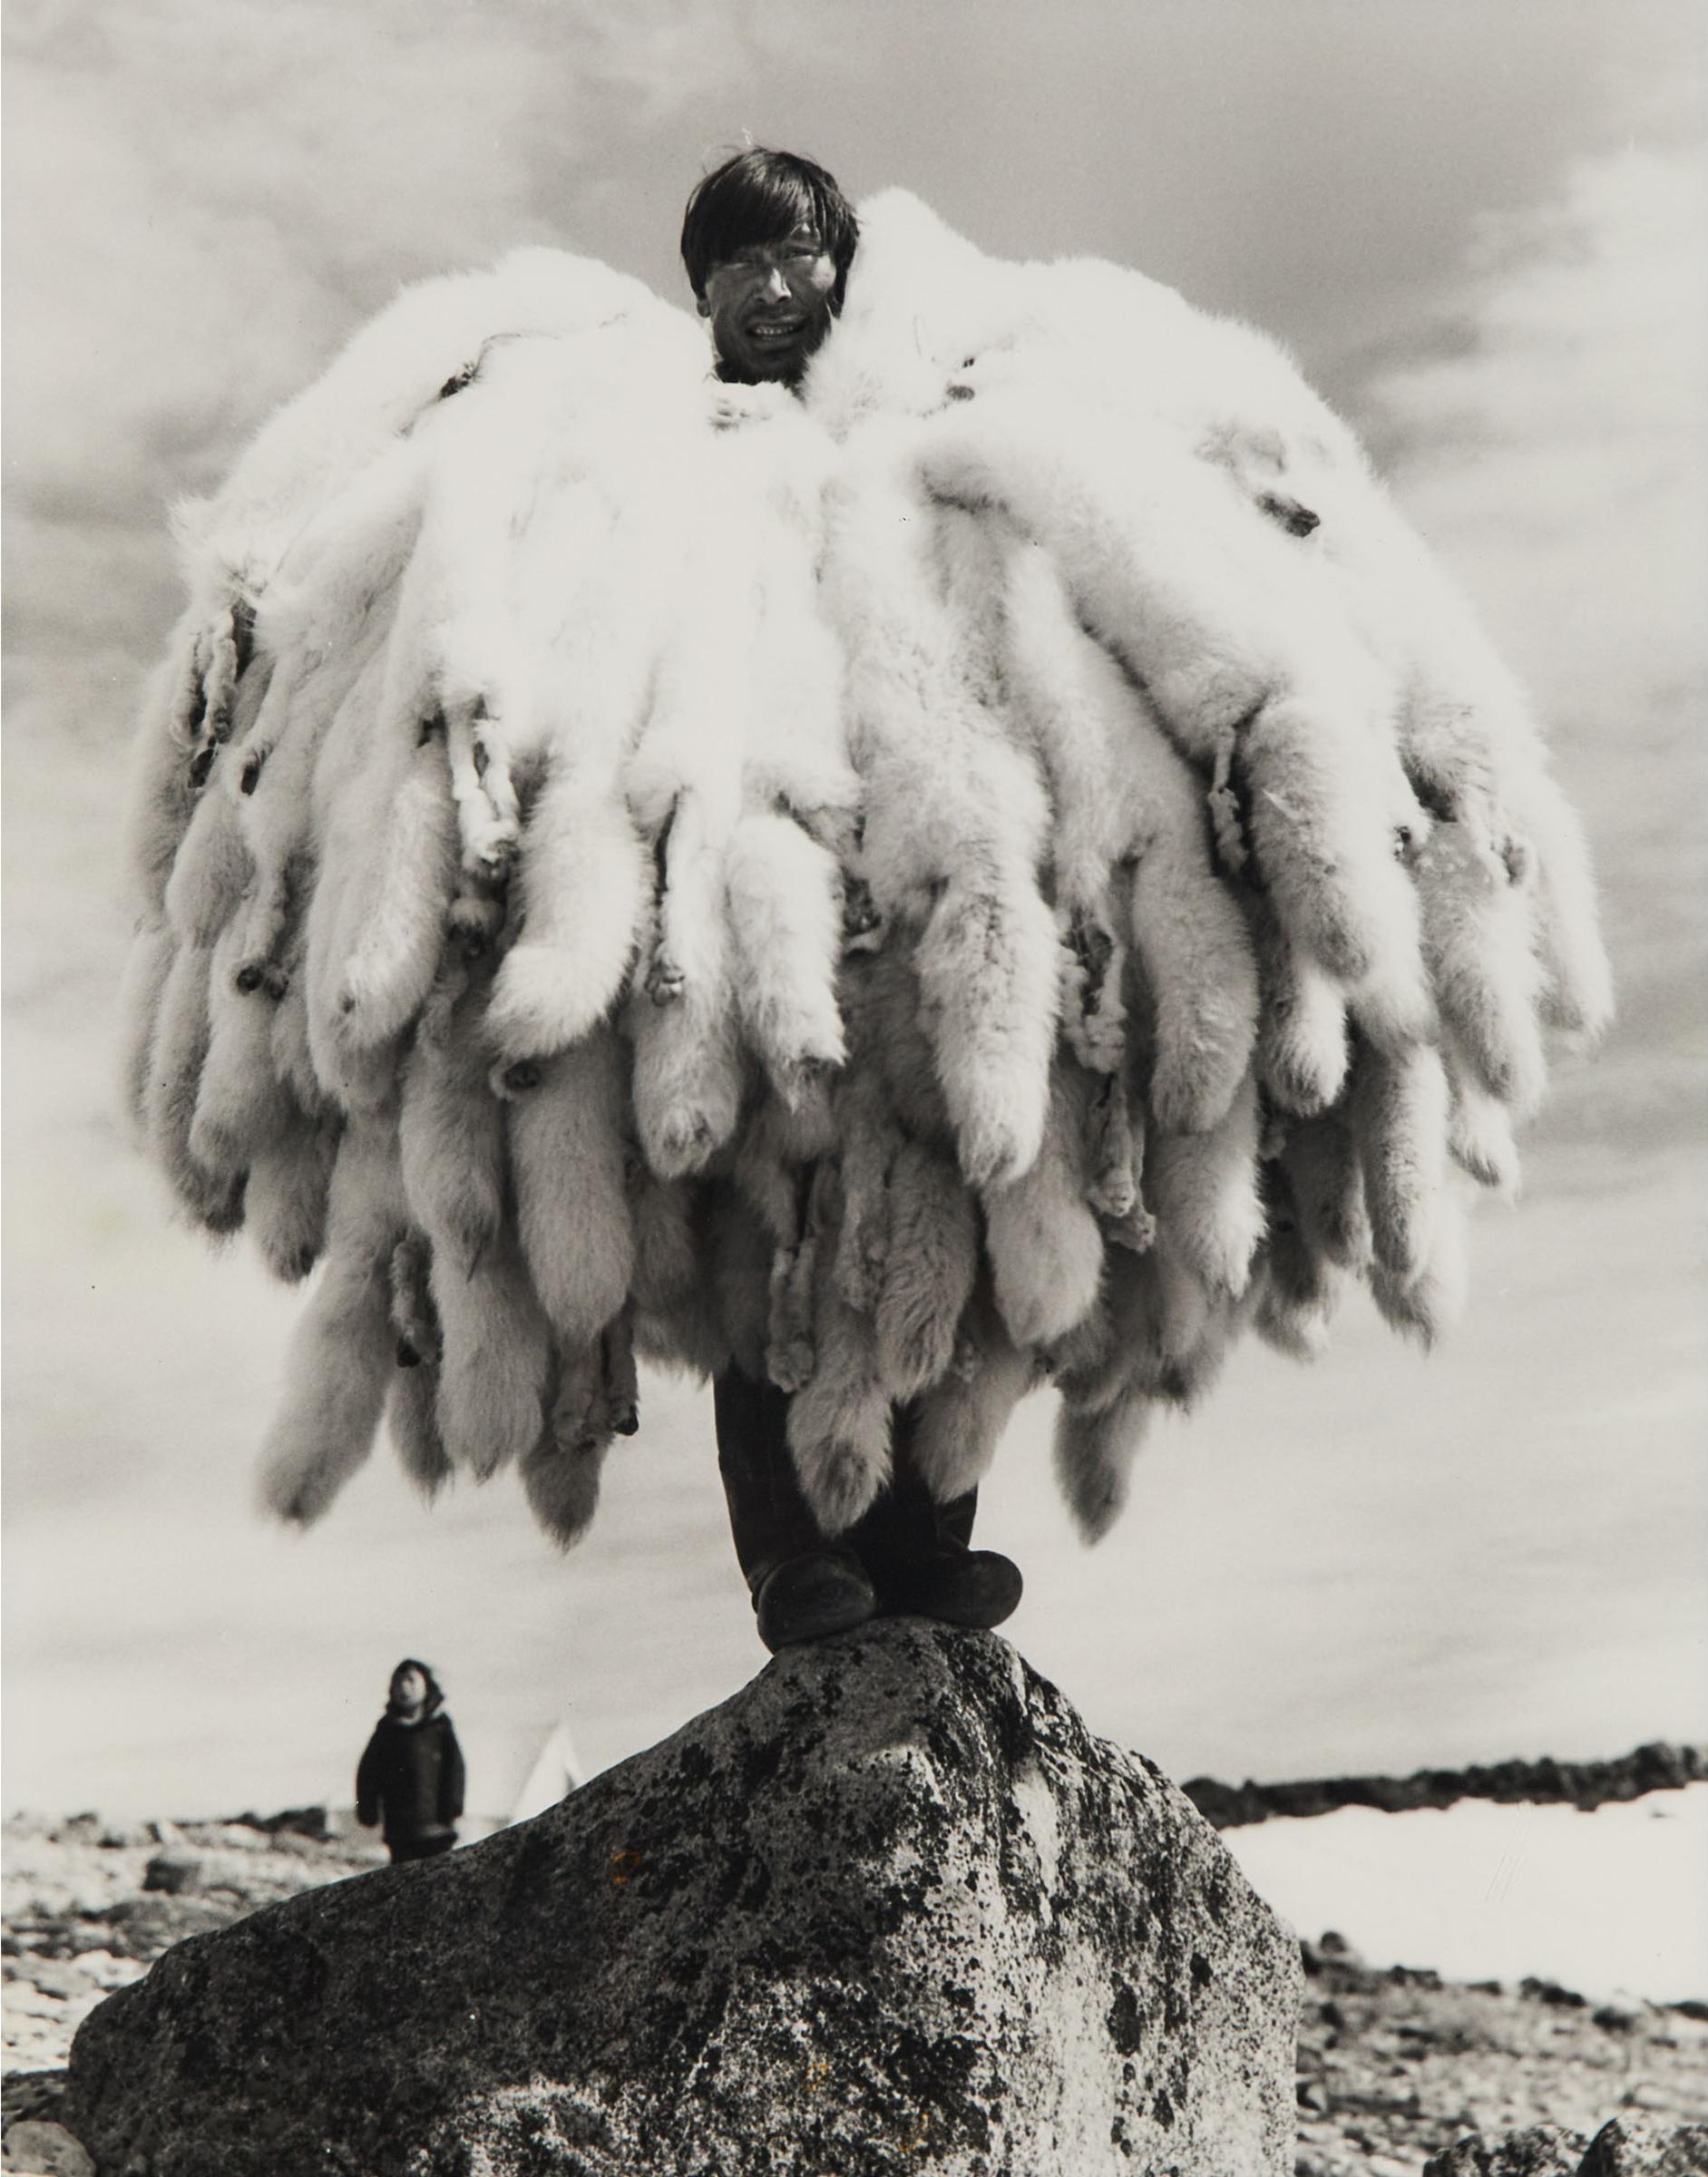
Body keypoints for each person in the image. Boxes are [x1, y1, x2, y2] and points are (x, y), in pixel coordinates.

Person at [679, 148, 1024, 1655]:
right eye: (732, 267)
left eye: (792, 257)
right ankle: (792, 1559)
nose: (767, 290)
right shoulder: (674, 434)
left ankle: (923, 1540)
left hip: (914, 843)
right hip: (755, 856)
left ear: (843, 263)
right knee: (771, 1213)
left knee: (933, 1193)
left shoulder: (906, 418)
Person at [356, 1659, 466, 1865]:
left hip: (438, 1830)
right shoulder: (386, 1730)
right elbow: (369, 1773)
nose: (404, 1688)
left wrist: (453, 1805)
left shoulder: (440, 1726)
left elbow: (455, 1768)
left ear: (426, 1686)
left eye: (411, 1681)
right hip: (400, 1832)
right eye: (398, 1682)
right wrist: (367, 1810)